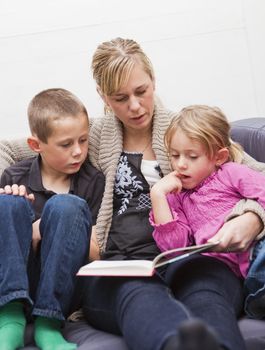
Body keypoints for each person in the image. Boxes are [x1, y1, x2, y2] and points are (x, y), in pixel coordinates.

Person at [0, 38, 264, 350]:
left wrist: (251, 218)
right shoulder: (91, 136)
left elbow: (256, 177)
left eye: (141, 91)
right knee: (137, 295)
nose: (135, 106)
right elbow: (9, 150)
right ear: (103, 97)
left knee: (208, 294)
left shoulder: (186, 133)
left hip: (190, 257)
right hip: (120, 265)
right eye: (120, 98)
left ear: (153, 81)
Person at [0, 88, 105, 350]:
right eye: (66, 144)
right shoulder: (14, 176)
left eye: (83, 140)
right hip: (17, 280)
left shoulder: (93, 182)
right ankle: (10, 318)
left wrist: (43, 229)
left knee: (66, 206)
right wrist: (21, 223)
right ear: (36, 146)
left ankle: (48, 326)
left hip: (63, 288)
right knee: (7, 202)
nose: (78, 151)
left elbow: (95, 252)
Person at [149, 105, 265, 321]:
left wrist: (252, 218)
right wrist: (158, 195)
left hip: (258, 247)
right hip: (239, 274)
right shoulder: (177, 196)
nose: (180, 164)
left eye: (192, 157)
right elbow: (175, 249)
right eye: (174, 155)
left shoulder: (231, 173)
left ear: (219, 157)